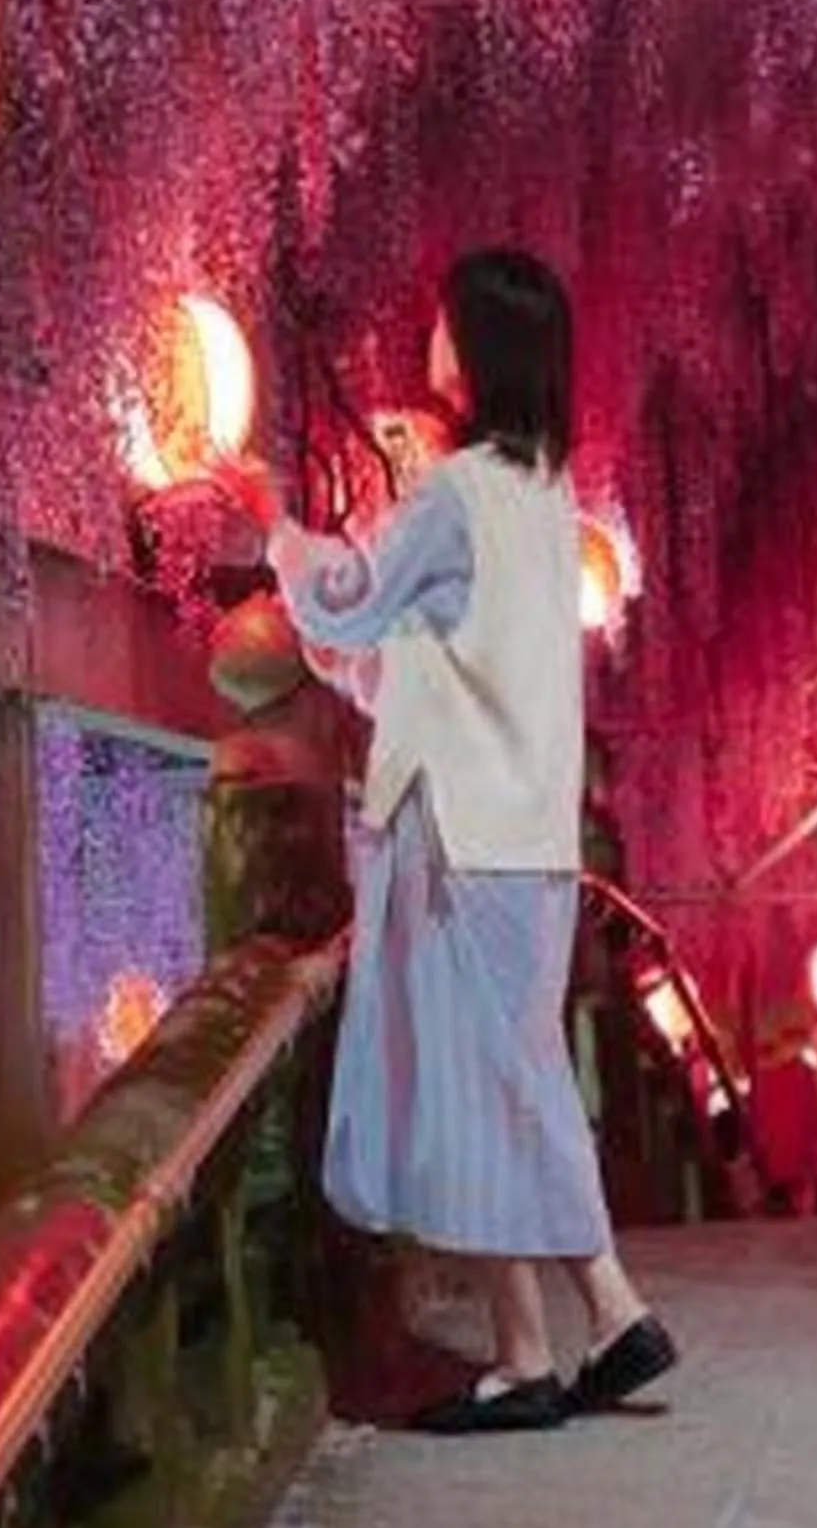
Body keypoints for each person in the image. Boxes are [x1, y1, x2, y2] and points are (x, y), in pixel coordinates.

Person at [219, 246, 676, 1435]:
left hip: (464, 833)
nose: (427, 341)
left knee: (500, 1082)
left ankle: (607, 1314)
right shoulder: (543, 496)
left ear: (476, 350)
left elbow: (354, 597)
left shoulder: (460, 494)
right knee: (494, 1082)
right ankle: (534, 1349)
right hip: (526, 835)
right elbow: (424, 649)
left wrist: (271, 523)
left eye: (441, 325)